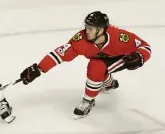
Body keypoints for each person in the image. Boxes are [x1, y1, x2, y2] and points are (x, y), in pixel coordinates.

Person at [19, 11, 151, 119]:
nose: (86, 31)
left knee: (97, 67)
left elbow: (145, 47)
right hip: (103, 61)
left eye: (90, 28)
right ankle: (110, 83)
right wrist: (39, 68)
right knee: (97, 66)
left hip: (123, 58)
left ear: (101, 30)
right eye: (86, 27)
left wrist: (139, 57)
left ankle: (88, 100)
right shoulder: (80, 40)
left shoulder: (120, 38)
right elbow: (60, 54)